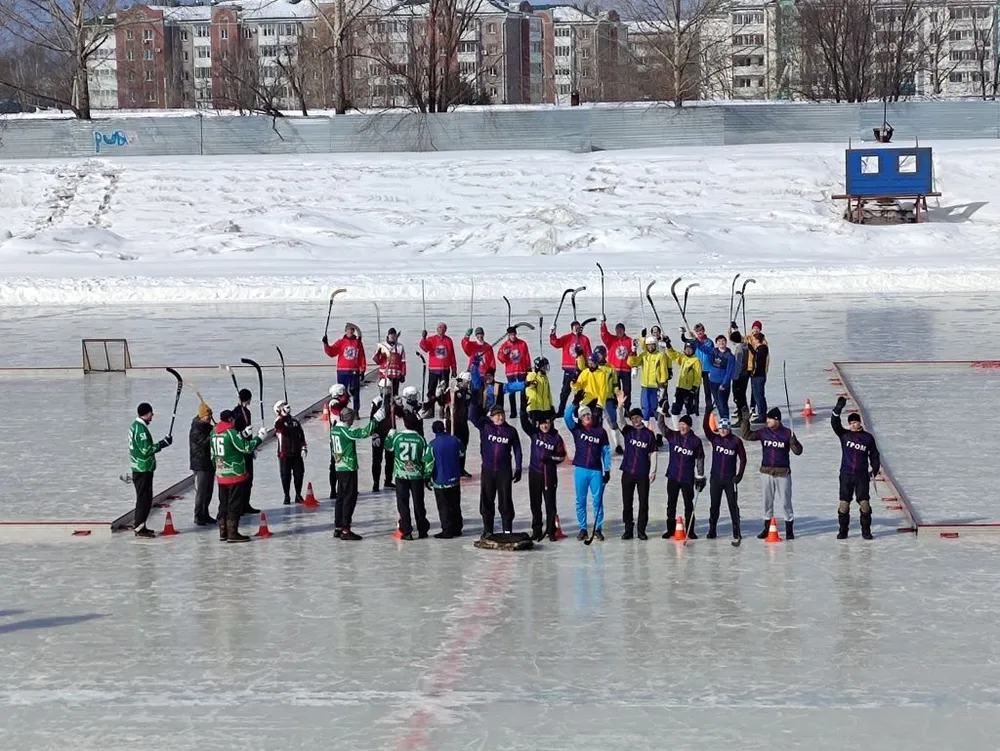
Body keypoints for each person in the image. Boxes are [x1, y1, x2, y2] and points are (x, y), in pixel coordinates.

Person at [741, 406, 803, 539]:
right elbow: (746, 436)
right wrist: (745, 420)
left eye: (769, 419)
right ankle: (767, 527)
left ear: (777, 420)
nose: (767, 421)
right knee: (767, 501)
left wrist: (794, 442)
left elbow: (798, 451)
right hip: (766, 472)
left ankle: (789, 530)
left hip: (783, 473)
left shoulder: (787, 433)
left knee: (786, 502)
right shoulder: (764, 432)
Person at [330, 401, 383, 540]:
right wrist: (375, 420)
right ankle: (346, 529)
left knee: (340, 498)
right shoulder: (346, 432)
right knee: (349, 498)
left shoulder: (334, 429)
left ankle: (338, 526)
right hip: (348, 468)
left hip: (338, 466)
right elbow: (363, 433)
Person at [212, 409, 266, 543]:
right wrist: (259, 438)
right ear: (230, 420)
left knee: (223, 504)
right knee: (234, 504)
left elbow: (212, 455)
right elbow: (246, 448)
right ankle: (232, 533)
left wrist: (241, 434)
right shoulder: (231, 433)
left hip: (221, 474)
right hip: (234, 474)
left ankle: (223, 531)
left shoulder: (214, 434)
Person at [470, 401, 522, 537]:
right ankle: (488, 530)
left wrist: (518, 467)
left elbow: (517, 450)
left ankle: (507, 529)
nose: (499, 418)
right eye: (496, 415)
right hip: (488, 470)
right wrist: (474, 401)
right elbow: (472, 416)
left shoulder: (511, 431)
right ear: (491, 417)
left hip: (504, 472)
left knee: (505, 501)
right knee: (487, 501)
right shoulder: (485, 427)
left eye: (501, 415)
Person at [564, 391, 611, 541]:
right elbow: (566, 417)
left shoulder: (601, 431)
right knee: (581, 500)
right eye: (584, 416)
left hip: (596, 470)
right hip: (581, 469)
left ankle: (598, 528)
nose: (587, 417)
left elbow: (606, 451)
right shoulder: (577, 429)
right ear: (580, 418)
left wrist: (607, 469)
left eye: (588, 415)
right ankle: (583, 528)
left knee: (597, 501)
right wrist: (574, 403)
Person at [831, 397, 881, 540]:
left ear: (860, 422)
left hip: (861, 476)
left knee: (864, 504)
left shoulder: (868, 438)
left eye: (855, 422)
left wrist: (875, 469)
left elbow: (875, 454)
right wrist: (838, 407)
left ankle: (866, 531)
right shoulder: (844, 435)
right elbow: (835, 423)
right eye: (851, 423)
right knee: (844, 504)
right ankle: (843, 530)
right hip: (846, 474)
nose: (853, 425)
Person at [656, 411, 706, 539]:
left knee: (688, 504)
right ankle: (670, 529)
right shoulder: (673, 436)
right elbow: (661, 427)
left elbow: (700, 458)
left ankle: (690, 530)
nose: (682, 427)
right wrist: (661, 412)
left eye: (684, 425)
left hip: (687, 478)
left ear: (689, 426)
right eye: (680, 424)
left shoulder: (695, 441)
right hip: (673, 476)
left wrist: (700, 476)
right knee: (671, 504)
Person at [520, 409, 567, 541]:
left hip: (549, 475)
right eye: (542, 424)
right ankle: (536, 530)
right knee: (535, 503)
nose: (545, 426)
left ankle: (551, 531)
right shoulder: (535, 434)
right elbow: (524, 422)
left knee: (550, 504)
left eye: (547, 423)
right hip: (535, 473)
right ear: (538, 425)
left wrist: (550, 459)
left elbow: (562, 456)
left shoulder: (556, 438)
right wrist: (524, 401)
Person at [616, 391, 658, 540]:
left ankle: (641, 530)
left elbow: (653, 453)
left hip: (642, 473)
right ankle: (628, 529)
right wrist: (620, 406)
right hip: (627, 471)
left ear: (641, 418)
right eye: (633, 418)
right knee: (627, 503)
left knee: (643, 503)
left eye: (637, 417)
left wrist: (652, 471)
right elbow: (620, 422)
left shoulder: (649, 434)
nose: (635, 420)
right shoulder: (628, 431)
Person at [129, 402, 173, 538]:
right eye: (151, 413)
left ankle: (142, 525)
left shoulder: (135, 426)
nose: (152, 415)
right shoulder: (141, 430)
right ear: (146, 413)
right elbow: (145, 450)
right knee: (144, 499)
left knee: (145, 498)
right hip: (143, 469)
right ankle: (139, 528)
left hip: (140, 468)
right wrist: (162, 444)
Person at [386, 411, 431, 540]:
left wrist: (390, 435)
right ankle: (422, 529)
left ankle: (406, 530)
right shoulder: (420, 439)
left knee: (403, 503)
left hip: (401, 475)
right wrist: (427, 475)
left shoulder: (398, 437)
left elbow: (388, 447)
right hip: (416, 475)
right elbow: (426, 459)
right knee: (419, 503)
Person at [703, 413, 747, 541]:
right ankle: (712, 529)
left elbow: (743, 459)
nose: (722, 431)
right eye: (721, 428)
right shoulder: (715, 439)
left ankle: (736, 530)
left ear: (729, 429)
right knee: (714, 505)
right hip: (716, 478)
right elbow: (706, 428)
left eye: (725, 428)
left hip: (730, 479)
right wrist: (707, 413)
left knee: (733, 505)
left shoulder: (736, 441)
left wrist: (739, 475)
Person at [427, 370, 473, 478]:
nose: (466, 385)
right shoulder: (452, 390)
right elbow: (442, 401)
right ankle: (451, 468)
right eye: (465, 382)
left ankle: (461, 469)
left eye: (468, 383)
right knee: (451, 446)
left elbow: (467, 402)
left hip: (462, 423)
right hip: (451, 422)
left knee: (463, 446)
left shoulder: (468, 393)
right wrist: (441, 393)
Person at [426, 420, 464, 538]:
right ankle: (457, 528)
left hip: (440, 480)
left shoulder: (432, 444)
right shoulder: (455, 440)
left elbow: (429, 463)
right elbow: (462, 453)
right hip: (454, 479)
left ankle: (447, 530)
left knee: (444, 507)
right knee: (455, 504)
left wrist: (427, 478)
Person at [628, 335, 670, 434]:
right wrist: (633, 351)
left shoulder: (660, 355)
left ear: (655, 345)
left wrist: (663, 385)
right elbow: (632, 362)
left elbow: (664, 371)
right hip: (645, 387)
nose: (650, 347)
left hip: (656, 387)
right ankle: (644, 433)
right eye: (648, 345)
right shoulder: (644, 355)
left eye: (652, 345)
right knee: (645, 410)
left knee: (656, 411)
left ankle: (659, 435)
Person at [550, 320, 593, 417]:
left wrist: (589, 366)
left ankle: (576, 411)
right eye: (575, 327)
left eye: (578, 327)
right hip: (569, 368)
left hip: (581, 369)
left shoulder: (585, 339)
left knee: (579, 392)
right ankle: (561, 411)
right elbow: (555, 343)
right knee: (565, 391)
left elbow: (589, 353)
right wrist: (553, 333)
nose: (577, 329)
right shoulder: (567, 338)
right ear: (572, 328)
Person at [322, 323, 367, 411]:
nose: (350, 331)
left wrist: (362, 370)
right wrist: (325, 344)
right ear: (345, 331)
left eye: (351, 330)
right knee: (341, 392)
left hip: (354, 371)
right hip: (342, 371)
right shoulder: (341, 342)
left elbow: (362, 357)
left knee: (355, 392)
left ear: (353, 331)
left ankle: (356, 411)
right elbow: (331, 352)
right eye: (348, 330)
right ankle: (342, 409)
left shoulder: (358, 343)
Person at [231, 388, 260, 515]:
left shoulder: (247, 412)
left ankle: (246, 504)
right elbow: (234, 434)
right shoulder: (235, 414)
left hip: (248, 449)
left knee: (249, 479)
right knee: (241, 480)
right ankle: (239, 506)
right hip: (240, 451)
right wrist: (243, 434)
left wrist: (252, 447)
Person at [695, 334, 736, 421]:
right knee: (717, 403)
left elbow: (729, 372)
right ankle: (722, 420)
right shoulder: (713, 351)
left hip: (722, 384)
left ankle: (726, 420)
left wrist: (724, 384)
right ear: (716, 343)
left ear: (726, 342)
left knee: (723, 403)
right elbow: (702, 348)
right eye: (719, 341)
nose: (721, 343)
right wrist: (695, 339)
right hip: (713, 382)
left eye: (723, 341)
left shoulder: (730, 356)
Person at [273, 399, 307, 505]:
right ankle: (286, 496)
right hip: (284, 453)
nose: (287, 407)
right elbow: (278, 427)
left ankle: (298, 494)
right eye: (283, 406)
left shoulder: (295, 421)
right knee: (285, 475)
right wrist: (283, 415)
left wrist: (304, 447)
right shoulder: (278, 421)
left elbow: (301, 435)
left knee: (299, 474)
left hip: (296, 453)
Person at [665, 340, 703, 430]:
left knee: (690, 410)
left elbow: (698, 376)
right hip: (679, 388)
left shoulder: (696, 361)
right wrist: (668, 346)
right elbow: (673, 355)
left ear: (693, 350)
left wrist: (694, 388)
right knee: (675, 410)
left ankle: (692, 429)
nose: (688, 351)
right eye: (686, 349)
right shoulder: (682, 358)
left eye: (690, 349)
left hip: (689, 389)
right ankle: (676, 429)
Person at [189, 401, 215, 526]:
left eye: (210, 417)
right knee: (202, 491)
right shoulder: (196, 429)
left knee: (209, 490)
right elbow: (204, 442)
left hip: (209, 463)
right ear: (201, 416)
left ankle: (205, 513)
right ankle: (198, 515)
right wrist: (213, 433)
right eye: (207, 417)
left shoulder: (207, 426)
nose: (209, 420)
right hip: (200, 464)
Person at [420, 322, 458, 405]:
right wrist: (423, 338)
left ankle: (443, 409)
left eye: (444, 327)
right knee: (431, 390)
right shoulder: (431, 339)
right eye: (440, 327)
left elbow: (452, 355)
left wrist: (454, 369)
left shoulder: (448, 340)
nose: (442, 329)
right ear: (437, 329)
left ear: (446, 329)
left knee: (444, 390)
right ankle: (430, 409)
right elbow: (425, 348)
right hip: (433, 370)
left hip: (445, 369)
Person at [496, 326, 531, 418]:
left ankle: (523, 411)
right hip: (510, 372)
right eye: (511, 335)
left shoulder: (522, 344)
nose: (513, 336)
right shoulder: (504, 346)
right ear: (508, 335)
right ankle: (513, 412)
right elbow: (500, 359)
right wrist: (504, 354)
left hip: (521, 371)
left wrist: (528, 369)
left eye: (514, 334)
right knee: (512, 392)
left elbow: (527, 357)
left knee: (524, 391)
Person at [601, 319, 634, 409]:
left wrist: (634, 367)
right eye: (617, 330)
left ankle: (627, 408)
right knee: (615, 390)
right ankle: (616, 406)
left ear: (624, 330)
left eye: (621, 330)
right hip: (614, 370)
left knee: (627, 390)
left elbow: (634, 355)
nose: (619, 331)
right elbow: (604, 335)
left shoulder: (630, 341)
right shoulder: (611, 340)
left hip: (626, 370)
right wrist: (603, 323)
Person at [510, 356, 554, 424]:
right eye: (544, 367)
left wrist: (551, 406)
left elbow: (549, 393)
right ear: (538, 367)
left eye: (546, 367)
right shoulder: (531, 375)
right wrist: (532, 383)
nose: (546, 369)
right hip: (534, 408)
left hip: (545, 408)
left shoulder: (545, 378)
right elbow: (530, 385)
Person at [682, 323, 714, 413]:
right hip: (697, 369)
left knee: (708, 390)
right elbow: (684, 340)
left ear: (704, 331)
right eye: (697, 331)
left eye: (701, 331)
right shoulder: (693, 341)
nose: (699, 332)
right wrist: (683, 333)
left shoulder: (709, 342)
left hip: (707, 369)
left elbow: (708, 351)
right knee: (695, 390)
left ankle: (709, 408)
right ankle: (695, 408)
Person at [371, 379, 396, 492]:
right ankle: (375, 483)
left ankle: (388, 481)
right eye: (384, 388)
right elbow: (372, 419)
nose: (386, 391)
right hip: (379, 434)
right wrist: (374, 433)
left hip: (390, 433)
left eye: (388, 388)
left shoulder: (393, 400)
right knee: (377, 459)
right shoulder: (376, 401)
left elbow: (398, 414)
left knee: (390, 458)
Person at [328, 383, 351, 498]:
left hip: (343, 434)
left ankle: (345, 487)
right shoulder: (333, 403)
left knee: (345, 461)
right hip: (336, 436)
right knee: (335, 463)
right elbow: (338, 409)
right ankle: (333, 489)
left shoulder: (340, 402)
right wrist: (345, 399)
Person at [372, 327, 406, 398]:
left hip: (396, 375)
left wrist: (403, 374)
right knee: (385, 395)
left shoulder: (400, 347)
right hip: (384, 375)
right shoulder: (382, 346)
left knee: (395, 395)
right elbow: (376, 360)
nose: (392, 337)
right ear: (388, 336)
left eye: (394, 335)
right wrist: (378, 353)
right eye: (391, 335)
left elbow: (403, 362)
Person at [728, 328, 750, 423]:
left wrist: (734, 377)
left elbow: (738, 365)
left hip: (739, 376)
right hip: (745, 375)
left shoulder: (739, 350)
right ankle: (744, 414)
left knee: (738, 397)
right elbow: (740, 338)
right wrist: (732, 330)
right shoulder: (745, 346)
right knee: (742, 396)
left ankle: (742, 418)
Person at [748, 331, 769, 422]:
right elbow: (756, 355)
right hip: (758, 375)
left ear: (757, 340)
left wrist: (753, 373)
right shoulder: (760, 349)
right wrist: (750, 348)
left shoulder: (762, 349)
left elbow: (757, 361)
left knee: (758, 396)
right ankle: (762, 414)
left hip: (758, 376)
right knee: (759, 396)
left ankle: (762, 416)